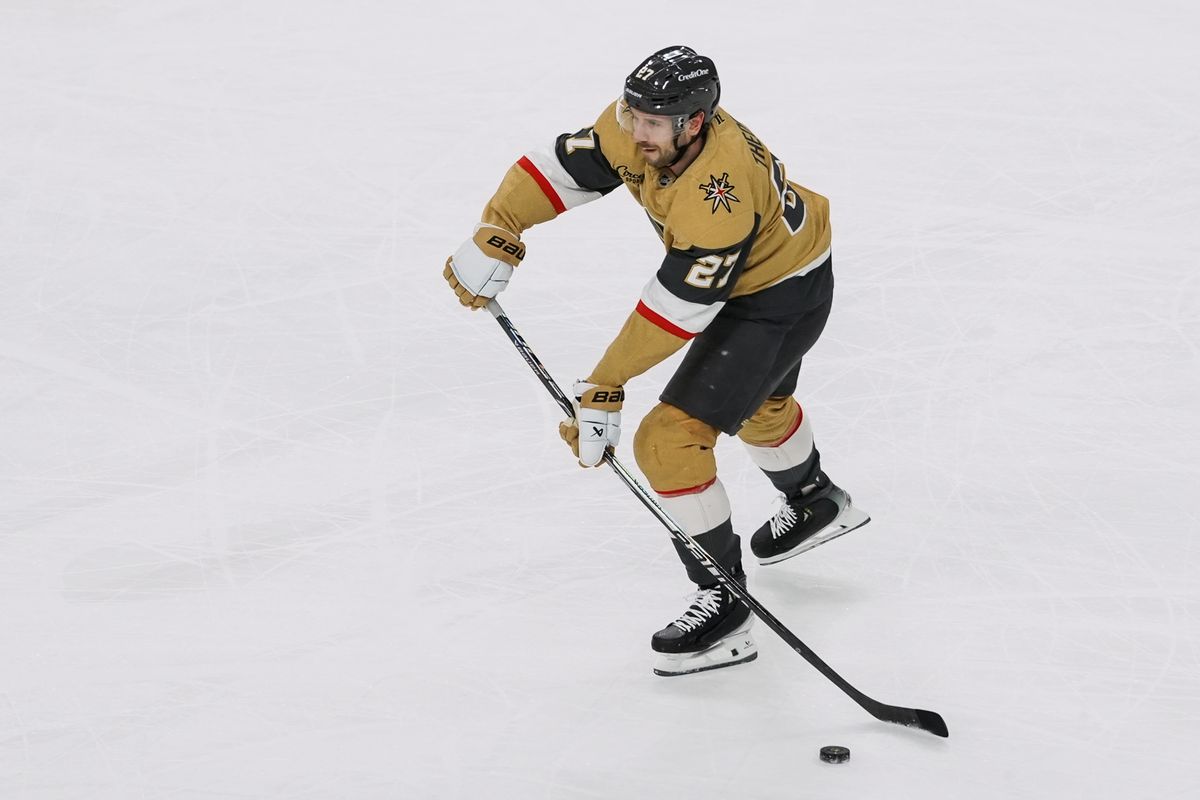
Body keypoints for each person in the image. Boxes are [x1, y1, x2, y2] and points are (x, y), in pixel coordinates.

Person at [444, 45, 870, 676]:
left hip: (779, 296)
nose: (632, 130)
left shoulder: (715, 200)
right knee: (759, 409)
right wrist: (500, 225)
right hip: (781, 266)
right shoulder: (641, 125)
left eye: (650, 123)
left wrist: (604, 386)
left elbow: (676, 308)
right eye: (631, 113)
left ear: (693, 124)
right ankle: (815, 500)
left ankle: (727, 605)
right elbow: (563, 170)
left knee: (669, 441)